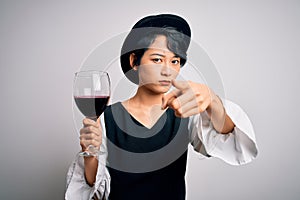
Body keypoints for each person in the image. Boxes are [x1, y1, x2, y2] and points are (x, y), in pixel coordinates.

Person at [65, 14, 258, 200]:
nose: (168, 70)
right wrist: (90, 152)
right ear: (134, 61)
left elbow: (235, 144)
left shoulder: (184, 113)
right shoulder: (106, 119)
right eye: (157, 59)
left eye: (175, 61)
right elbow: (90, 191)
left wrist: (212, 101)